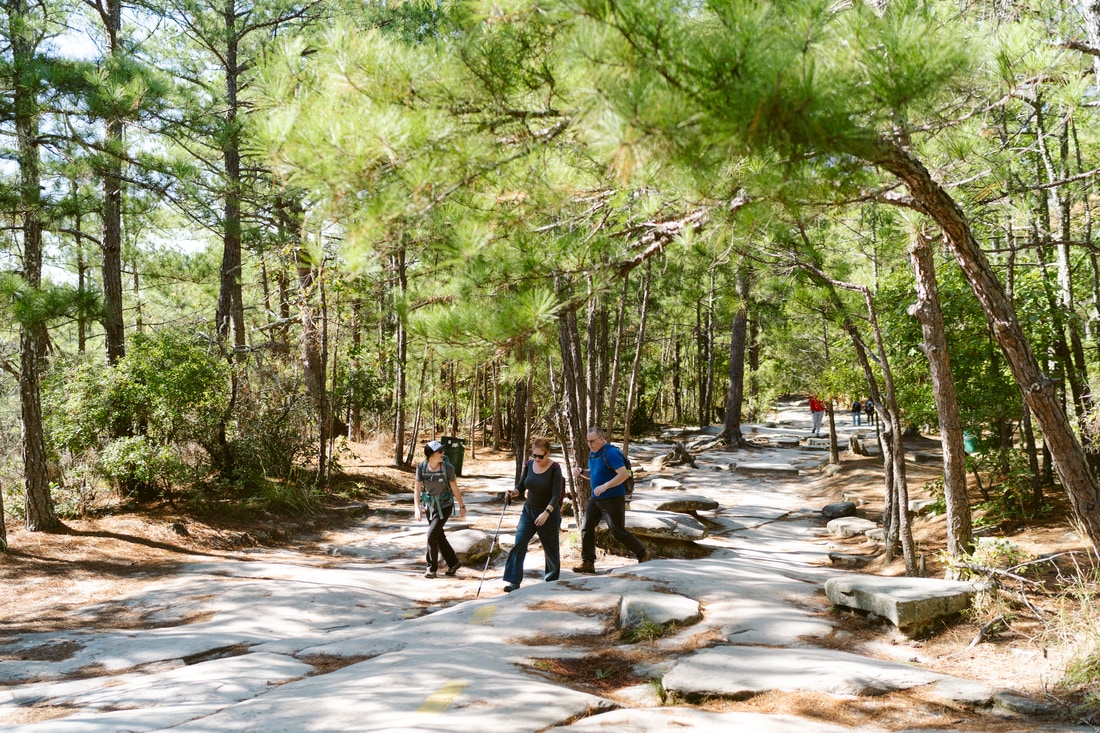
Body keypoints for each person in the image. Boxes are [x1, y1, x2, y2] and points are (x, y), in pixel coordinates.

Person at [571, 427, 648, 574]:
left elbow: (623, 474)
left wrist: (606, 486)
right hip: (596, 498)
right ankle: (588, 562)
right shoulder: (593, 453)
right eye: (588, 441)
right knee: (586, 527)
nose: (590, 444)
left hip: (613, 498)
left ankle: (643, 553)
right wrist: (581, 472)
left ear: (602, 439)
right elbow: (593, 474)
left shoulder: (611, 453)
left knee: (617, 532)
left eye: (592, 441)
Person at [501, 437, 563, 593]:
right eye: (534, 455)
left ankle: (550, 581)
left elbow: (556, 494)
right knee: (519, 543)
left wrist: (547, 512)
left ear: (548, 453)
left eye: (540, 456)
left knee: (550, 548)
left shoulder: (555, 469)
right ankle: (514, 581)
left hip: (547, 513)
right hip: (528, 511)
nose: (537, 459)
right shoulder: (529, 465)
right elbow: (522, 485)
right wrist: (513, 492)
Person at [414, 439, 466, 578]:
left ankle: (431, 568)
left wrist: (461, 506)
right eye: (439, 451)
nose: (443, 453)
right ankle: (454, 562)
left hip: (445, 505)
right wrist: (417, 508)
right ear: (431, 454)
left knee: (431, 535)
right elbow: (417, 489)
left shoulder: (447, 467)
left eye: (442, 450)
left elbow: (454, 487)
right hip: (429, 507)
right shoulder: (421, 468)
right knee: (438, 535)